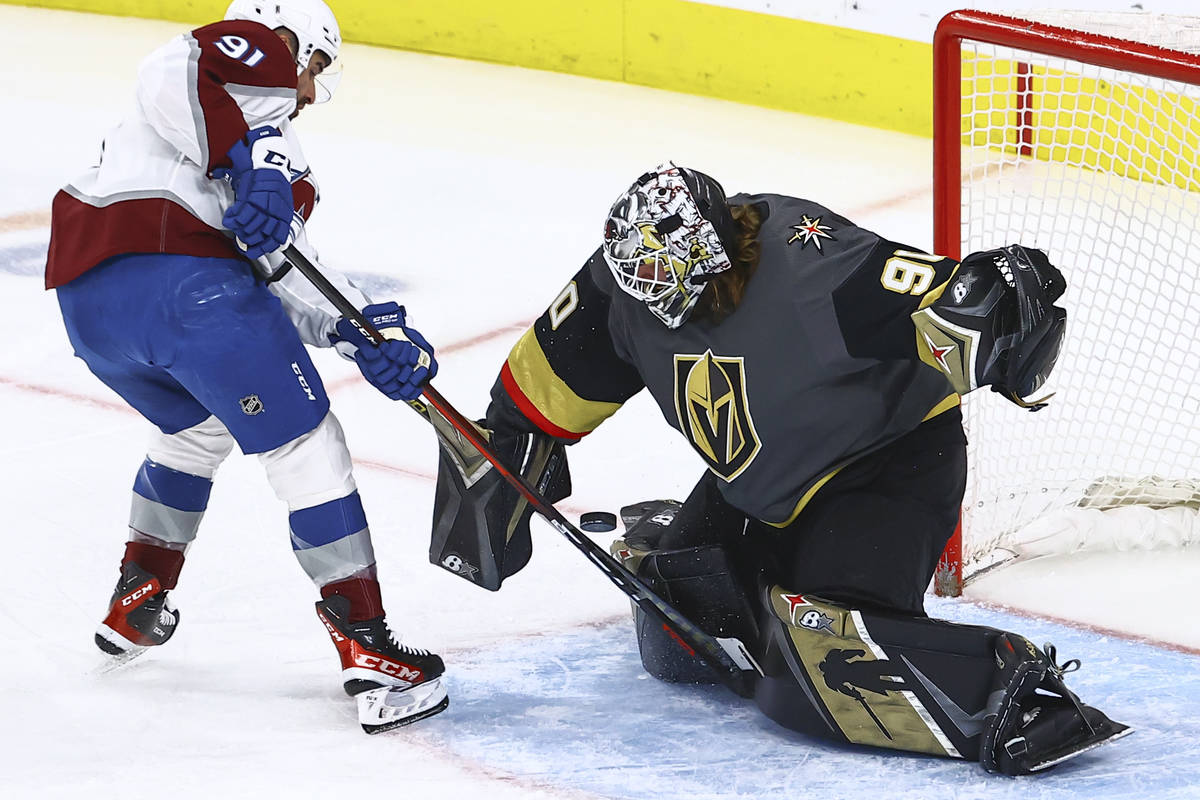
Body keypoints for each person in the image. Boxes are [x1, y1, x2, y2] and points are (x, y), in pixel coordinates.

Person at [435, 162, 1129, 772]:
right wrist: (501, 469)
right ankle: (683, 542)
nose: (664, 313)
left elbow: (938, 295)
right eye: (645, 294)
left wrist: (999, 302)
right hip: (759, 488)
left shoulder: (809, 259)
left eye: (679, 292)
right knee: (678, 636)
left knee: (824, 654)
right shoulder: (625, 286)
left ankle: (1014, 692)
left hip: (886, 470)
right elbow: (536, 389)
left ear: (724, 247)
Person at [45, 0, 447, 728]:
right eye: (314, 65)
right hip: (185, 291)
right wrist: (250, 154)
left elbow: (283, 266)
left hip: (93, 309)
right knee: (307, 446)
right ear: (283, 32)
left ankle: (140, 595)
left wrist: (358, 331)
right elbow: (179, 63)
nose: (310, 90)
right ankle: (366, 647)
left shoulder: (253, 148)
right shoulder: (246, 58)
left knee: (195, 431)